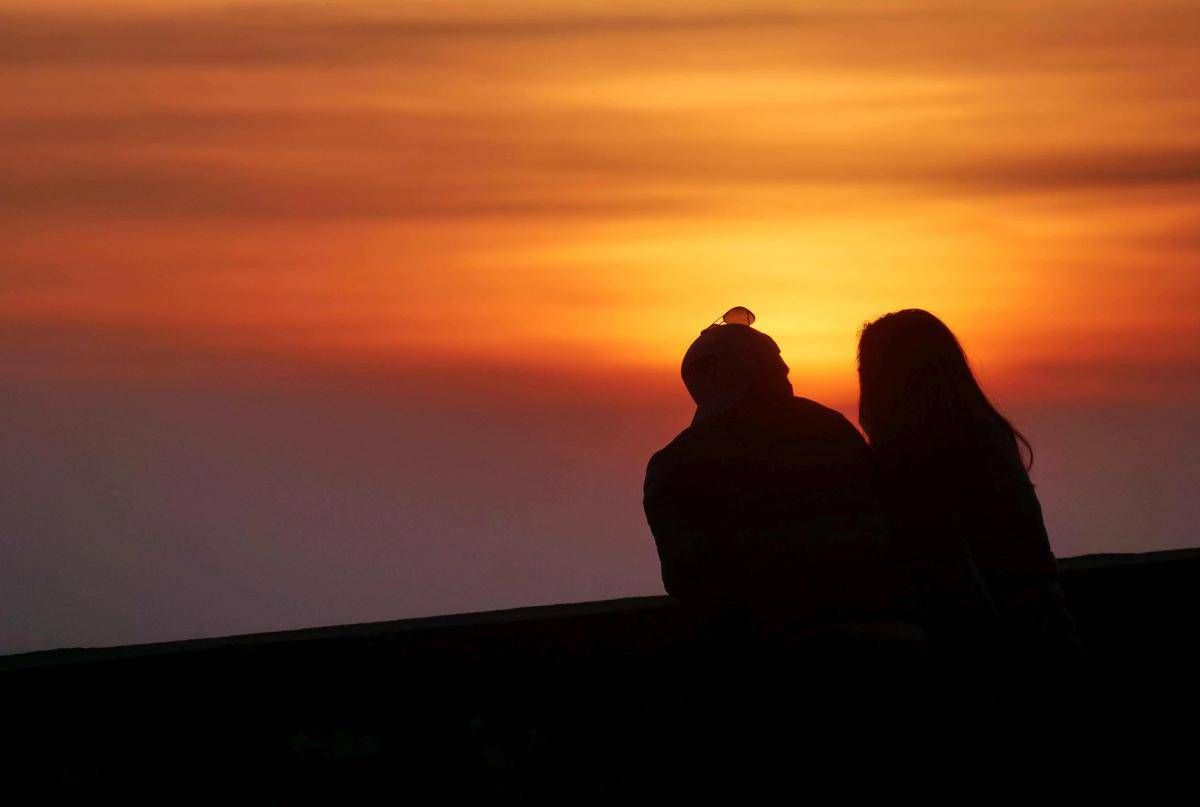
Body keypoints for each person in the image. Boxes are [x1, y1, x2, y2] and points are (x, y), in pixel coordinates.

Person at [643, 308, 921, 658]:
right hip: (886, 637)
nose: (785, 373)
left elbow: (687, 580)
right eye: (774, 367)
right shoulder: (832, 431)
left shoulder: (674, 465)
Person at [856, 308, 1081, 661]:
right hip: (1051, 632)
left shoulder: (910, 457)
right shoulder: (989, 437)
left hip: (990, 649)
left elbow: (951, 574)